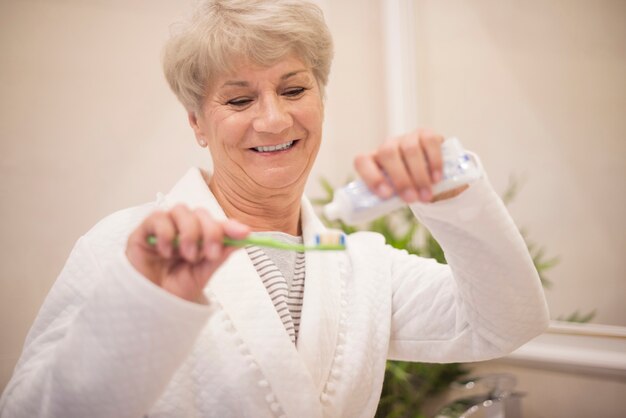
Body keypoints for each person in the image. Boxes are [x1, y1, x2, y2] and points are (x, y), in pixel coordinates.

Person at [0, 1, 549, 417]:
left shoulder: (360, 264)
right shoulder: (121, 247)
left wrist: (451, 197)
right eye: (239, 100)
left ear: (320, 98)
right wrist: (146, 306)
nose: (274, 121)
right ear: (197, 123)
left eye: (293, 90)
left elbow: (505, 323)